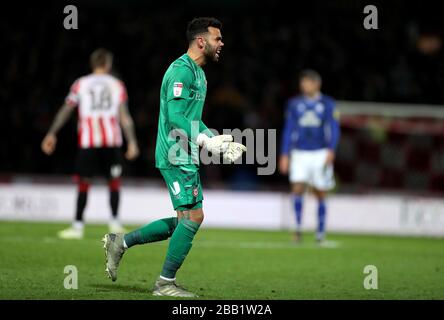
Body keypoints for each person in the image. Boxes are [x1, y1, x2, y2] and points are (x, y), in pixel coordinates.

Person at [102, 17, 246, 297]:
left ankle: (120, 242)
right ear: (201, 41)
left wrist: (215, 139)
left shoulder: (200, 74)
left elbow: (193, 118)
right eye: (218, 38)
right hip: (175, 152)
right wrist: (206, 141)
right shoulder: (181, 71)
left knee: (185, 220)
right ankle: (164, 283)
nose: (222, 44)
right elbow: (177, 117)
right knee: (193, 217)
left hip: (186, 153)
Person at [41, 48, 140, 239]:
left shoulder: (80, 84)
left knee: (83, 183)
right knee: (114, 181)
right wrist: (132, 142)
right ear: (108, 64)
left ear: (93, 64)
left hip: (88, 141)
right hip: (111, 141)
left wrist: (52, 133)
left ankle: (77, 226)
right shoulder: (117, 84)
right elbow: (124, 117)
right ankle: (115, 223)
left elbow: (66, 110)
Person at [279, 69, 340, 243]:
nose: (304, 86)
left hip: (320, 152)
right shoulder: (294, 104)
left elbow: (333, 128)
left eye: (307, 82)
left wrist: (331, 149)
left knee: (320, 192)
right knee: (297, 188)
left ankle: (320, 232)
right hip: (299, 152)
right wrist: (284, 153)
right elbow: (289, 129)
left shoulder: (327, 103)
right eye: (302, 82)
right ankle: (297, 229)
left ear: (316, 84)